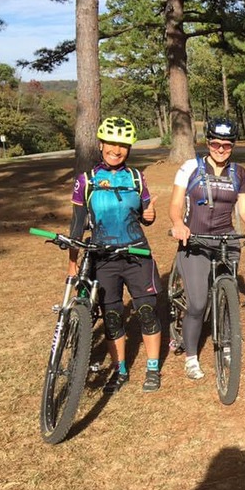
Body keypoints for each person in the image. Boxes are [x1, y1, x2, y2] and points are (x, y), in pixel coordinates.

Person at [68, 116, 162, 393]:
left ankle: (152, 368)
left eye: (122, 145)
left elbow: (145, 215)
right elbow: (77, 226)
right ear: (100, 144)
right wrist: (72, 264)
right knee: (112, 317)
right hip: (103, 257)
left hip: (136, 254)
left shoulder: (136, 178)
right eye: (111, 143)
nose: (116, 150)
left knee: (147, 311)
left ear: (129, 149)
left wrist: (150, 215)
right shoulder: (86, 181)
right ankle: (120, 371)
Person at [169, 117, 245, 380]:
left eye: (227, 145)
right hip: (195, 240)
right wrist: (178, 224)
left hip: (226, 241)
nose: (220, 149)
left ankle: (227, 344)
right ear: (207, 142)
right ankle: (191, 357)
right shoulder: (190, 167)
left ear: (233, 146)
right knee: (197, 303)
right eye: (216, 144)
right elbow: (175, 204)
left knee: (228, 298)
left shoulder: (239, 173)